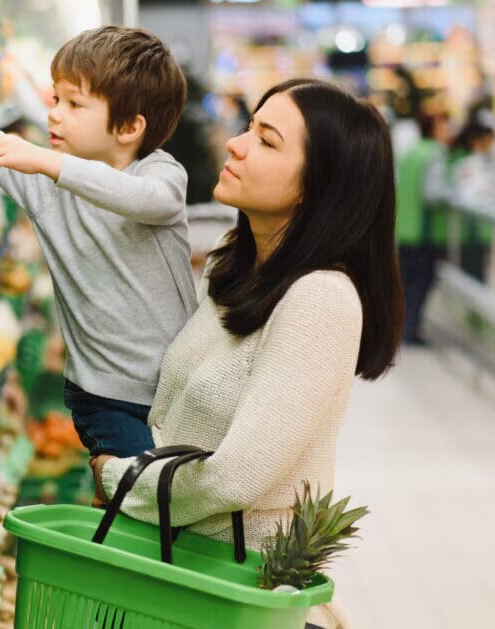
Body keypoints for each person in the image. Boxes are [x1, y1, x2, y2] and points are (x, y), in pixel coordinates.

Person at [90, 79, 403, 629]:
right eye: (248, 127)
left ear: (315, 185)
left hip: (245, 595)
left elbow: (237, 476)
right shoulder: (231, 263)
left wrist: (119, 480)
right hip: (180, 580)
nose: (235, 144)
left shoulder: (320, 299)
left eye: (266, 140)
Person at [0, 27, 196, 458]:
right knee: (136, 491)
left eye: (74, 104)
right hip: (103, 397)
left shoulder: (159, 174)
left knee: (168, 492)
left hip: (177, 387)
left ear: (130, 127)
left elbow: (147, 200)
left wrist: (50, 161)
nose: (54, 114)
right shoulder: (47, 189)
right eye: (56, 99)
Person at [396, 111, 452, 345]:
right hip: (424, 231)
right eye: (444, 125)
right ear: (434, 128)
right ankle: (410, 330)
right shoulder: (435, 154)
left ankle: (399, 328)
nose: (448, 130)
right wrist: (453, 194)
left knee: (405, 281)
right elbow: (433, 194)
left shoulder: (411, 151)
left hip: (404, 229)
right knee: (421, 282)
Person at [451, 117, 495, 282]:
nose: (490, 144)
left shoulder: (492, 163)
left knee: (480, 271)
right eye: (487, 140)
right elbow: (467, 194)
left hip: (485, 230)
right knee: (471, 270)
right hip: (469, 230)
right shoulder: (466, 163)